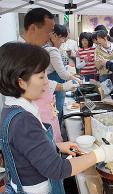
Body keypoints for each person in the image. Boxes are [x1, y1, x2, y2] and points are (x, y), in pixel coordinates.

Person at [0, 42, 113, 194]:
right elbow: (57, 169)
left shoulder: (12, 108)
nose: (46, 82)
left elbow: (26, 149)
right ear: (20, 82)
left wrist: (56, 146)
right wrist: (100, 154)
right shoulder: (23, 120)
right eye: (41, 76)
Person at [17, 8, 78, 142]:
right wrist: (61, 87)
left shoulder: (35, 50)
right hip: (34, 111)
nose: (50, 36)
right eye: (48, 31)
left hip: (45, 106)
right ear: (33, 28)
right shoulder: (19, 53)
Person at [45, 24, 80, 125]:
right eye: (63, 38)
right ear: (55, 35)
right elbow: (63, 74)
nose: (64, 41)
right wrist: (75, 79)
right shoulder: (52, 50)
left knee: (51, 116)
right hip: (55, 89)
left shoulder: (47, 48)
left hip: (51, 88)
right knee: (55, 116)